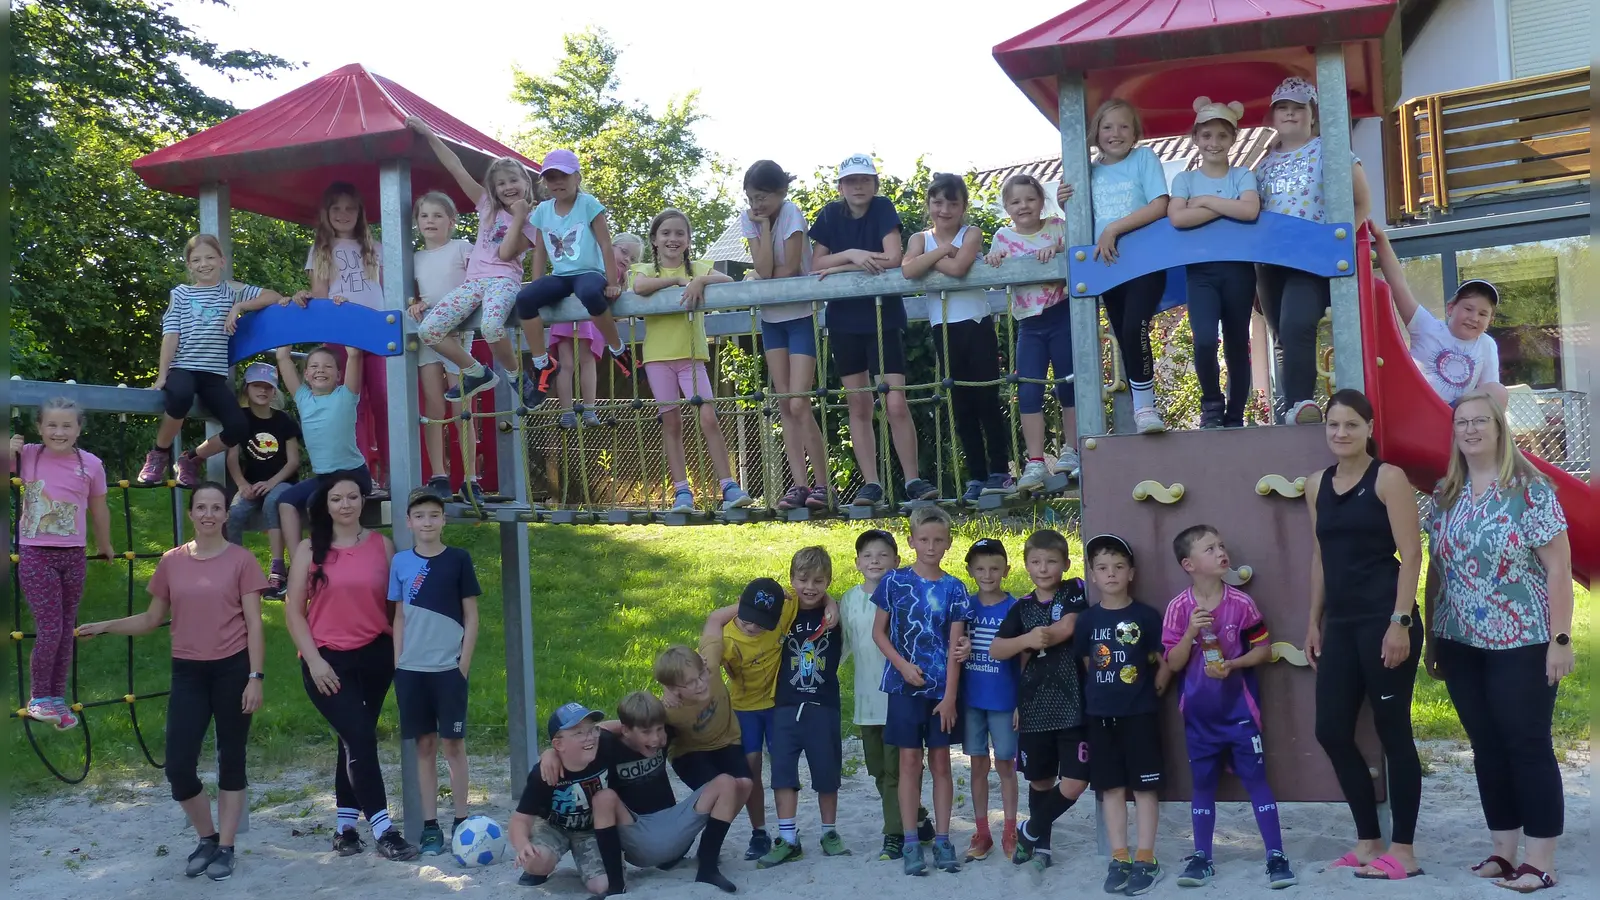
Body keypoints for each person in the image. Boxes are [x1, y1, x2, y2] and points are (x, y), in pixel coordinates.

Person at [78, 482, 267, 881]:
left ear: (224, 515)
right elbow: (150, 620)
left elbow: (254, 623)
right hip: (188, 671)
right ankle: (207, 837)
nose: (209, 514)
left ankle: (228, 847)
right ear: (191, 513)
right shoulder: (172, 561)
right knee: (179, 766)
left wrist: (255, 677)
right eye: (202, 507)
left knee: (231, 760)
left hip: (233, 669)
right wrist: (106, 625)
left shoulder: (242, 560)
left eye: (217, 507)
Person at [1424, 389, 1574, 892]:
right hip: (1460, 641)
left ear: (1498, 427)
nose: (1470, 430)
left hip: (1524, 639)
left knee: (1526, 744)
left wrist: (1560, 638)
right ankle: (1504, 853)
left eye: (1480, 421)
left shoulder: (1530, 489)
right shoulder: (1445, 492)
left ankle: (1541, 861)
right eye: (1461, 422)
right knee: (1486, 746)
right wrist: (1431, 637)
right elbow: (1436, 570)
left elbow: (1558, 567)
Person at [1302, 388, 1423, 879]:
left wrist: (1400, 621)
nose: (1341, 433)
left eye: (1352, 424)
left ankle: (1406, 851)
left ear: (1370, 428)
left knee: (1394, 733)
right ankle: (1369, 840)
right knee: (1330, 729)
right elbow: (1320, 557)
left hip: (1384, 619)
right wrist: (1313, 619)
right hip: (1343, 624)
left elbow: (1411, 554)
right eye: (1333, 424)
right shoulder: (1316, 484)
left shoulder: (1389, 479)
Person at [282, 474, 418, 861]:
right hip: (327, 661)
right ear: (326, 506)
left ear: (363, 501)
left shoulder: (383, 546)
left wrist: (402, 655)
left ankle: (345, 829)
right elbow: (292, 613)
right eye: (337, 498)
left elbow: (397, 608)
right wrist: (315, 661)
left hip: (376, 657)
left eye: (353, 497)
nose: (346, 504)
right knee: (360, 737)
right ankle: (383, 829)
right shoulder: (309, 551)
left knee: (352, 740)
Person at [1163, 525, 1296, 889]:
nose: (1221, 552)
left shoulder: (1242, 603)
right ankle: (1202, 857)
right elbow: (1172, 663)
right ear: (1189, 564)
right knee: (1203, 784)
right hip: (1199, 717)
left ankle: (1276, 856)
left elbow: (1264, 650)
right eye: (1210, 549)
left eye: (1222, 545)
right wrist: (1190, 633)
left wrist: (1232, 665)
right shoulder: (1178, 608)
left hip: (1239, 713)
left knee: (1256, 780)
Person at [811, 154, 936, 505]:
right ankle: (871, 483)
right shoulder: (829, 215)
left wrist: (839, 266)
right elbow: (815, 264)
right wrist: (850, 255)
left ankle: (912, 479)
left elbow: (893, 257)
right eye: (851, 181)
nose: (858, 186)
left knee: (895, 402)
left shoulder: (882, 208)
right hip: (844, 320)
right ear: (840, 187)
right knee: (859, 403)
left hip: (883, 316)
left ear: (875, 184)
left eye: (865, 179)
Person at [535, 691, 744, 893]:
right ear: (626, 730)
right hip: (635, 832)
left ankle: (707, 868)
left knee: (726, 783)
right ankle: (616, 887)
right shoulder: (607, 745)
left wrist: (670, 695)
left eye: (659, 730)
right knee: (604, 798)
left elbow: (691, 711)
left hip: (674, 827)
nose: (655, 739)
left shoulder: (663, 732)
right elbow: (582, 737)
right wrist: (550, 753)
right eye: (646, 732)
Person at [1254, 77, 1373, 424]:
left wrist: (1338, 244)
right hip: (1270, 261)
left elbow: (1362, 200)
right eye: (1282, 109)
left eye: (1298, 108)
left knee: (1297, 325)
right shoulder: (1262, 165)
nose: (1290, 114)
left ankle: (1301, 405)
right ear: (1273, 118)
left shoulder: (1330, 150)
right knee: (1281, 335)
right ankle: (1285, 408)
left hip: (1311, 256)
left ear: (1312, 116)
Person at [406, 116, 540, 408]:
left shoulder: (533, 222)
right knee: (429, 330)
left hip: (504, 281)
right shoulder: (487, 206)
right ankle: (475, 371)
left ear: (525, 183)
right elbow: (455, 166)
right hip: (474, 282)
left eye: (513, 181)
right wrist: (429, 131)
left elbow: (505, 254)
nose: (507, 187)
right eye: (501, 183)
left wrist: (519, 216)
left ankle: (518, 377)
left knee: (492, 327)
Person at [628, 208, 752, 512]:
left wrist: (698, 282)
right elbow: (640, 288)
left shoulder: (699, 267)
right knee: (672, 422)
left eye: (679, 233)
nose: (673, 238)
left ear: (688, 239)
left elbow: (726, 280)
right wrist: (677, 282)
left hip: (692, 357)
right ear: (655, 240)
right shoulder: (644, 269)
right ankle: (682, 492)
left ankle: (729, 487)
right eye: (666, 233)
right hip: (658, 358)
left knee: (709, 417)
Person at [137, 234, 285, 487]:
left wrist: (239, 307)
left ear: (221, 260)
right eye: (196, 260)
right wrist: (162, 376)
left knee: (239, 426)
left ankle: (192, 459)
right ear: (189, 265)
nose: (203, 264)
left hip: (213, 375)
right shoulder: (181, 294)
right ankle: (158, 453)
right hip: (183, 367)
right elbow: (171, 336)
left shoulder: (231, 290)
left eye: (209, 257)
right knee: (180, 396)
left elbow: (273, 296)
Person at [903, 173, 1013, 504]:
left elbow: (961, 267)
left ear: (963, 206)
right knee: (961, 405)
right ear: (929, 205)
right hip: (944, 327)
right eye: (938, 202)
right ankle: (976, 476)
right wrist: (941, 253)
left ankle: (999, 471)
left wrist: (933, 262)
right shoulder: (920, 238)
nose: (945, 209)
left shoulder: (972, 233)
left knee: (986, 400)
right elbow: (908, 269)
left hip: (976, 324)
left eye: (953, 203)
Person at [871, 506, 969, 875]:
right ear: (911, 541)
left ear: (948, 543)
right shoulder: (893, 582)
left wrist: (949, 697)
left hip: (941, 693)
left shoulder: (955, 587)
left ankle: (943, 839)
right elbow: (879, 633)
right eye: (923, 539)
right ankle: (911, 840)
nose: (931, 546)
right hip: (902, 689)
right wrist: (901, 665)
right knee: (910, 764)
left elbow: (956, 647)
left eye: (938, 540)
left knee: (942, 764)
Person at [1065, 99, 1171, 434]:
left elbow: (1160, 205)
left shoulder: (1144, 159)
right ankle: (1138, 410)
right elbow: (1082, 216)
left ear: (1136, 132)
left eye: (1124, 126)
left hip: (1145, 260)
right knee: (1122, 335)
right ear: (1096, 133)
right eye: (1108, 127)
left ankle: (1146, 409)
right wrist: (1065, 199)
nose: (1116, 133)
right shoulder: (1088, 171)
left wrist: (1114, 228)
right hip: (1108, 265)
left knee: (1134, 326)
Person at [988, 528, 1090, 874]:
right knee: (1040, 780)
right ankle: (1042, 845)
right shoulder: (1021, 608)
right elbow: (997, 649)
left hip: (1074, 704)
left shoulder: (1074, 590)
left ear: (1065, 563)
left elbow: (1071, 625)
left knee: (1076, 781)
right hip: (1033, 706)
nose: (1043, 568)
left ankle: (1029, 830)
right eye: (1035, 562)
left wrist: (1044, 636)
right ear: (1026, 566)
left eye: (1051, 561)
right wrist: (1027, 639)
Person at [1073, 533, 1168, 894]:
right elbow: (1087, 663)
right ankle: (1120, 856)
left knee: (1144, 787)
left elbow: (1163, 660)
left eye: (1118, 566)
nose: (1110, 573)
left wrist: (1154, 689)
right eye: (1102, 568)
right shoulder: (1086, 621)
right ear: (1093, 576)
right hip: (1100, 715)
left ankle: (1146, 857)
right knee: (1110, 787)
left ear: (1131, 572)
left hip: (1140, 714)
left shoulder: (1146, 615)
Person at [10, 398, 113, 729]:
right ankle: (39, 696)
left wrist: (106, 543)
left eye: (67, 425)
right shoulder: (26, 456)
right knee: (51, 626)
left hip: (74, 554)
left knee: (67, 629)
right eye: (51, 425)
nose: (59, 431)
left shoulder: (91, 465)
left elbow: (99, 508)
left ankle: (57, 698)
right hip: (36, 552)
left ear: (79, 428)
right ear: (39, 427)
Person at [389, 488, 480, 855]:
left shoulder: (458, 559)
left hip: (448, 670)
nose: (427, 522)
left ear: (443, 520)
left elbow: (471, 615)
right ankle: (430, 825)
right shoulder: (400, 562)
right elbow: (397, 616)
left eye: (434, 515)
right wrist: (397, 662)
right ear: (409, 522)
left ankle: (461, 819)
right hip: (411, 671)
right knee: (424, 745)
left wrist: (463, 664)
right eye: (420, 516)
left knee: (453, 744)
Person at [839, 528, 936, 861]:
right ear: (856, 563)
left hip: (899, 698)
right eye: (867, 555)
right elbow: (843, 645)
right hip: (867, 702)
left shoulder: (904, 594)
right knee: (878, 770)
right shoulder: (850, 599)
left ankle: (894, 834)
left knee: (898, 771)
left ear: (896, 561)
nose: (875, 561)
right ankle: (917, 815)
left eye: (882, 555)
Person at [740, 159, 830, 511]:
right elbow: (763, 268)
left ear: (780, 192)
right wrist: (761, 227)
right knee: (782, 403)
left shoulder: (792, 212)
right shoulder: (751, 219)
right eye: (751, 198)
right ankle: (799, 485)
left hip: (801, 314)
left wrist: (764, 276)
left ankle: (822, 486)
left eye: (762, 197)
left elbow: (790, 268)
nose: (756, 204)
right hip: (772, 318)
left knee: (798, 400)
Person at [1167, 98, 1261, 429]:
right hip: (1200, 271)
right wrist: (1227, 207)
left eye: (1222, 136)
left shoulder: (1243, 174)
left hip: (1238, 269)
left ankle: (1235, 414)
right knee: (1205, 338)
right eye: (1206, 136)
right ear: (1196, 139)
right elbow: (1178, 218)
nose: (1214, 143)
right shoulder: (1184, 179)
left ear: (1233, 139)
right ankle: (1211, 405)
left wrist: (1205, 203)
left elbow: (1250, 211)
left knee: (1237, 341)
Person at [514, 148, 636, 402]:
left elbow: (605, 243)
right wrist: (537, 285)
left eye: (564, 176)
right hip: (560, 276)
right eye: (551, 177)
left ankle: (618, 349)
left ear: (577, 178)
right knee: (525, 300)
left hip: (589, 271)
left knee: (591, 293)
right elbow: (540, 253)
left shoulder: (588, 204)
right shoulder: (543, 211)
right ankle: (542, 363)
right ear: (545, 183)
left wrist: (612, 282)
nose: (557, 182)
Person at [756, 547, 851, 867]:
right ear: (792, 578)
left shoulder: (834, 615)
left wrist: (831, 601)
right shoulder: (784, 611)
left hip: (823, 705)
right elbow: (754, 606)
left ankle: (829, 832)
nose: (810, 586)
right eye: (803, 579)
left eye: (819, 581)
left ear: (829, 581)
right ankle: (788, 838)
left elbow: (847, 602)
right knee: (782, 773)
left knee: (827, 773)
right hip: (783, 705)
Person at [985, 174, 1078, 486]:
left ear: (1041, 200)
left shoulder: (1056, 227)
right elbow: (996, 276)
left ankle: (1073, 450)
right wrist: (995, 260)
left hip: (1061, 313)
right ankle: (1035, 462)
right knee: (1028, 390)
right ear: (1007, 207)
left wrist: (1055, 253)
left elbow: (1075, 254)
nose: (1023, 205)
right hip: (1029, 322)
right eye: (1015, 201)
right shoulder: (1002, 237)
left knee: (1069, 382)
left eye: (1030, 199)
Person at [294, 182, 389, 488]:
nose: (343, 213)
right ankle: (357, 475)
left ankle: (392, 471)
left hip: (377, 332)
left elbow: (388, 291)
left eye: (350, 208)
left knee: (386, 401)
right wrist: (320, 305)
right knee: (350, 406)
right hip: (340, 335)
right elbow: (321, 297)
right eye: (336, 208)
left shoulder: (377, 249)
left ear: (360, 213)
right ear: (327, 213)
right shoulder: (321, 250)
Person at [1371, 225, 1508, 408]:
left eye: (1483, 314)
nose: (1474, 317)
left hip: (1453, 414)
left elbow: (1488, 389)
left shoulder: (1486, 344)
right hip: (1417, 405)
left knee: (1498, 391)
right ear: (1450, 308)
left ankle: (1485, 434)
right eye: (1468, 309)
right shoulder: (1427, 327)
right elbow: (1399, 286)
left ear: (1490, 321)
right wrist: (1381, 240)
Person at [404, 190, 483, 505]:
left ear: (452, 221)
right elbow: (411, 294)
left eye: (438, 215)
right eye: (424, 216)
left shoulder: (463, 248)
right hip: (428, 334)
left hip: (457, 334)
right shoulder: (414, 259)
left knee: (462, 408)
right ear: (417, 223)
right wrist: (414, 303)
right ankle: (438, 474)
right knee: (434, 406)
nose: (430, 221)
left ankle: (469, 478)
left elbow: (479, 280)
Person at [510, 702, 617, 895]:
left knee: (603, 886)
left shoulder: (605, 744)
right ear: (558, 744)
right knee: (534, 862)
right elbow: (520, 818)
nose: (589, 737)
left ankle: (587, 864)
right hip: (553, 827)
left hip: (591, 830)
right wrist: (522, 845)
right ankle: (541, 870)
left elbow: (623, 726)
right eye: (578, 733)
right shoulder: (543, 773)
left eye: (592, 729)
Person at [958, 538, 1020, 861]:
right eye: (980, 568)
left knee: (1006, 764)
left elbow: (1025, 659)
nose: (987, 574)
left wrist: (1022, 702)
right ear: (969, 570)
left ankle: (1010, 829)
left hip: (1005, 699)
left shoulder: (1015, 607)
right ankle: (983, 832)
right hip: (972, 700)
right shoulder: (965, 607)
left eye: (994, 567)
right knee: (977, 764)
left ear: (1006, 570)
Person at [272, 343, 370, 547]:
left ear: (339, 375)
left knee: (315, 504)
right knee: (285, 502)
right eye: (315, 366)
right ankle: (299, 559)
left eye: (328, 366)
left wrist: (338, 317)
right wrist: (291, 315)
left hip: (352, 473)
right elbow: (282, 357)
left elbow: (354, 354)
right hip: (324, 477)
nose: (321, 370)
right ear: (306, 374)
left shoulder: (346, 395)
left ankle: (324, 556)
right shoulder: (303, 398)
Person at [225, 361, 301, 598]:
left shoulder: (284, 421)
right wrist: (241, 484)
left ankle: (278, 570)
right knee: (234, 513)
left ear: (274, 391)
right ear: (246, 388)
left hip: (281, 483)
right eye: (257, 385)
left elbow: (293, 462)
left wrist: (272, 483)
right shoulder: (239, 419)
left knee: (272, 503)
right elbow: (232, 457)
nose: (262, 391)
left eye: (268, 387)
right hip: (251, 484)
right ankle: (235, 570)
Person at [551, 233, 642, 428]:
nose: (627, 259)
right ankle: (573, 412)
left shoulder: (616, 274)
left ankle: (584, 410)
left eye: (632, 259)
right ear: (611, 247)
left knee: (582, 361)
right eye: (624, 252)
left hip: (583, 314)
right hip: (574, 309)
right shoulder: (602, 265)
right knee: (569, 363)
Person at [652, 644, 752, 796]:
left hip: (725, 742)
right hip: (689, 752)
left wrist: (698, 656)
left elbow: (715, 622)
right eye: (691, 682)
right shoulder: (668, 709)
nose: (700, 684)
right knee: (719, 791)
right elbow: (636, 723)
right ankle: (711, 818)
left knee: (744, 784)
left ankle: (718, 820)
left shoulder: (708, 666)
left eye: (701, 674)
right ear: (673, 688)